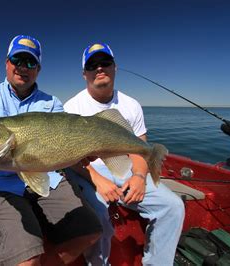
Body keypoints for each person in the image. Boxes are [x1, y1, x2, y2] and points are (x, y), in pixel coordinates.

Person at [0, 35, 102, 266]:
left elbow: (63, 148)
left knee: (90, 231)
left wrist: (83, 152)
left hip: (48, 179)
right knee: (26, 261)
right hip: (0, 184)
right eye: (17, 60)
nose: (23, 67)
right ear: (7, 63)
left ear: (38, 69)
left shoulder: (52, 103)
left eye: (30, 62)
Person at [63, 42, 185, 266]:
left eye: (105, 63)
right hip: (87, 170)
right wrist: (98, 181)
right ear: (84, 74)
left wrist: (139, 177)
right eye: (92, 65)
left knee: (173, 206)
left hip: (125, 165)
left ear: (114, 67)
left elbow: (140, 148)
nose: (99, 68)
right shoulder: (71, 107)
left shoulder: (131, 105)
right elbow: (70, 158)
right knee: (97, 214)